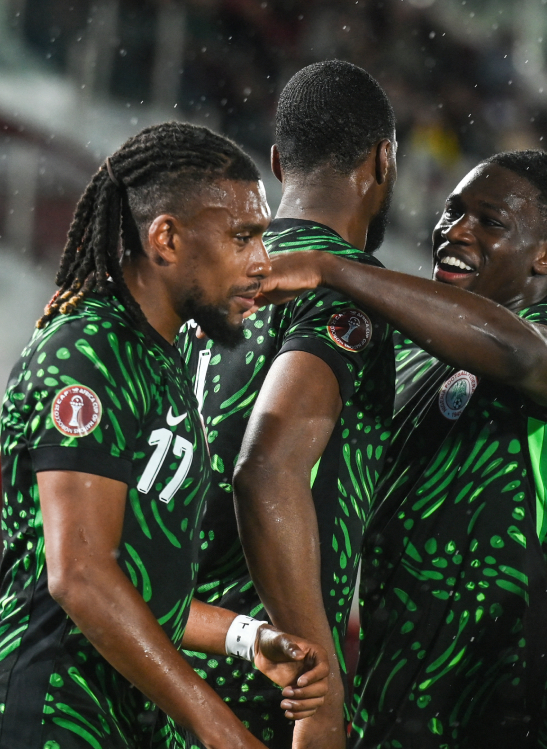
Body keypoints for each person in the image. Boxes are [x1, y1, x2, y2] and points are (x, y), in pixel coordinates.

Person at [0, 123, 329, 749]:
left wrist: (245, 637)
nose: (262, 262)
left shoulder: (161, 359)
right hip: (36, 714)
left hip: (109, 720)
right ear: (166, 239)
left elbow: (143, 583)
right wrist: (219, 728)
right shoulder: (88, 351)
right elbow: (81, 576)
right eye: (242, 237)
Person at [254, 149, 547, 748]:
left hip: (504, 700)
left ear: (546, 257)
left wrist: (335, 269)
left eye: (491, 222)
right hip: (394, 686)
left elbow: (515, 352)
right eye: (453, 212)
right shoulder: (404, 355)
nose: (456, 231)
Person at [172, 61, 397, 749]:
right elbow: (266, 467)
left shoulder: (206, 286)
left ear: (276, 162)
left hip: (168, 668)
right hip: (267, 687)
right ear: (382, 162)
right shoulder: (347, 289)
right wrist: (317, 688)